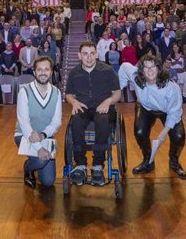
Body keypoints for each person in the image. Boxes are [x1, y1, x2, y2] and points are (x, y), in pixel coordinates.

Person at [117, 54, 186, 179]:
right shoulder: (135, 75)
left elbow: (175, 111)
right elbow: (124, 67)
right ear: (141, 70)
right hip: (145, 107)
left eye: (153, 67)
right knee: (139, 132)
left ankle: (174, 162)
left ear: (159, 68)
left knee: (179, 136)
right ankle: (147, 161)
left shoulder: (171, 87)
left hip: (167, 110)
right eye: (146, 67)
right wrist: (120, 87)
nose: (149, 70)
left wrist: (164, 132)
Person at [65, 41, 121, 186]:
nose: (89, 57)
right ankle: (81, 165)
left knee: (103, 121)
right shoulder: (74, 73)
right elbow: (68, 95)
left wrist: (108, 102)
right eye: (85, 54)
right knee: (76, 120)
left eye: (92, 53)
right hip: (83, 107)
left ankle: (97, 165)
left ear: (96, 54)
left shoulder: (108, 70)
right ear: (79, 56)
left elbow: (117, 93)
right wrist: (74, 102)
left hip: (102, 107)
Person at [14, 56, 62, 189]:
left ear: (51, 72)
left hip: (45, 136)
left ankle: (37, 162)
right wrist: (39, 148)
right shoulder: (24, 92)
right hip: (24, 135)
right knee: (40, 160)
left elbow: (56, 122)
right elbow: (24, 123)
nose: (43, 73)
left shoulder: (56, 92)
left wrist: (43, 135)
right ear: (34, 72)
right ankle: (28, 167)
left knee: (48, 181)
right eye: (39, 70)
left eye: (46, 69)